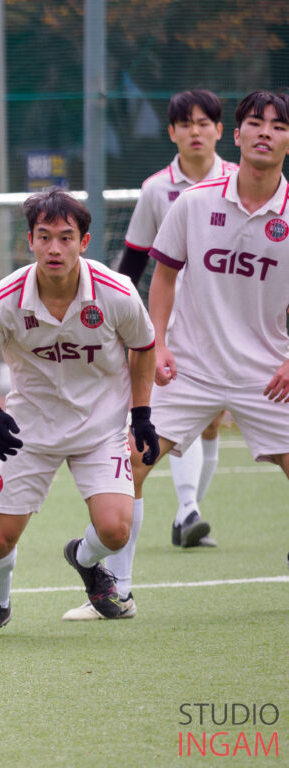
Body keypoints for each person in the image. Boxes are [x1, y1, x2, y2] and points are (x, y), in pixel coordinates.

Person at [0, 188, 158, 638]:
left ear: (84, 242)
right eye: (44, 237)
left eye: (65, 238)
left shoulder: (115, 292)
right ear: (29, 240)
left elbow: (144, 349)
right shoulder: (2, 299)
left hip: (101, 428)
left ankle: (84, 560)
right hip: (29, 432)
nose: (54, 248)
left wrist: (141, 414)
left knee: (115, 531)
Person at [123, 90, 289, 573]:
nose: (266, 133)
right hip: (192, 364)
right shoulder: (190, 202)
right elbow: (163, 274)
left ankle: (189, 509)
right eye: (256, 124)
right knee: (130, 463)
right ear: (236, 135)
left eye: (278, 126)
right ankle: (111, 586)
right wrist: (159, 341)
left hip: (267, 372)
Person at [117, 89, 236, 552]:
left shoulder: (241, 180)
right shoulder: (156, 190)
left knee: (209, 424)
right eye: (185, 124)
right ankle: (188, 512)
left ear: (221, 131)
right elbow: (133, 265)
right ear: (171, 132)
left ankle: (188, 510)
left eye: (205, 123)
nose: (195, 131)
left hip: (228, 327)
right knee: (169, 425)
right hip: (172, 331)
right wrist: (127, 327)